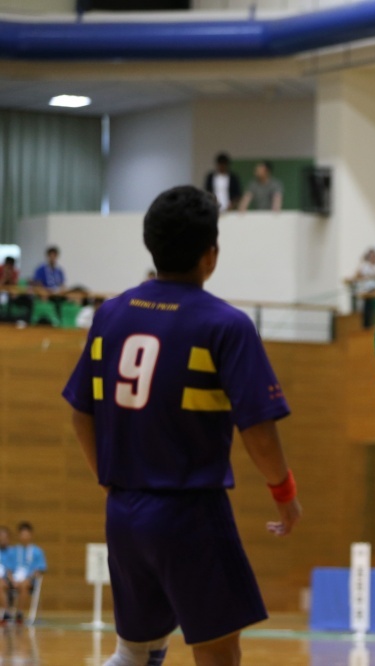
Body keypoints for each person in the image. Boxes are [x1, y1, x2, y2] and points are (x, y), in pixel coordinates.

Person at [61, 185, 301, 666]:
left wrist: (109, 481)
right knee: (218, 652)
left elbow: (80, 412)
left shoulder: (109, 314)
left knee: (138, 651)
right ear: (211, 255)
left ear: (151, 243)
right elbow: (257, 428)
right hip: (191, 514)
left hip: (125, 512)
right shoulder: (225, 325)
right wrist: (284, 493)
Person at [5, 522, 45, 625]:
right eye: (22, 534)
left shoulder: (37, 551)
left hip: (28, 581)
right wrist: (12, 580)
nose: (24, 537)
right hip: (13, 580)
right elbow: (8, 569)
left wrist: (29, 579)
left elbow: (39, 569)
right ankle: (7, 613)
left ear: (31, 535)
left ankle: (19, 613)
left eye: (26, 534)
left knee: (24, 585)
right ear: (19, 535)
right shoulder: (12, 551)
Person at [354, 248, 375, 329]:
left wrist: (374, 274)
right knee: (367, 311)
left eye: (374, 256)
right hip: (368, 293)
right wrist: (362, 261)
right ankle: (366, 328)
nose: (372, 258)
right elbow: (357, 276)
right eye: (370, 256)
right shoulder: (365, 266)